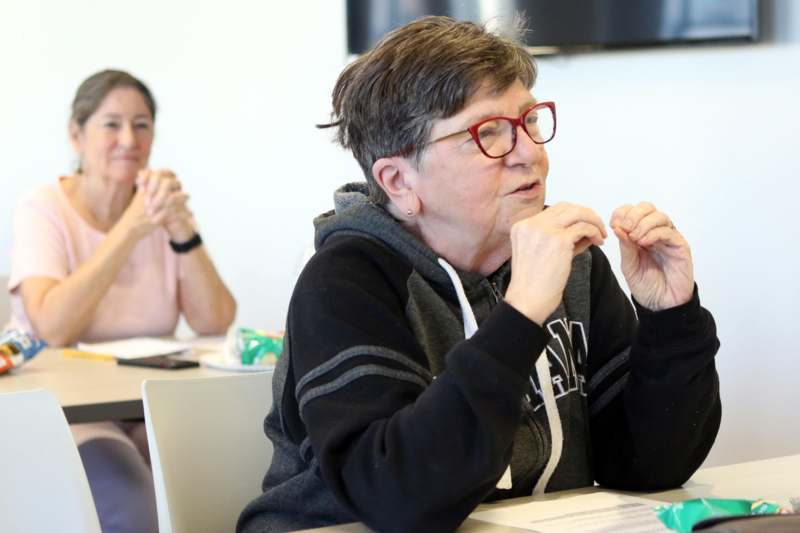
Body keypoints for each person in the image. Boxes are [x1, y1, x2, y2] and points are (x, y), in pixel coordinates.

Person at [237, 16, 720, 533]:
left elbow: (647, 467)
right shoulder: (344, 284)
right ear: (399, 181)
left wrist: (670, 319)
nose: (532, 154)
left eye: (530, 121)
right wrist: (520, 316)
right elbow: (398, 498)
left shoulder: (572, 266)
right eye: (489, 133)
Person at [6, 69, 237, 533]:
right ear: (77, 134)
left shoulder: (157, 206)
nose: (128, 139)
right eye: (111, 124)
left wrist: (181, 233)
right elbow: (52, 325)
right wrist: (131, 228)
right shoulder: (43, 208)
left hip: (147, 402)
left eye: (142, 124)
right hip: (66, 412)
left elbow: (216, 320)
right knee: (130, 495)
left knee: (224, 475)